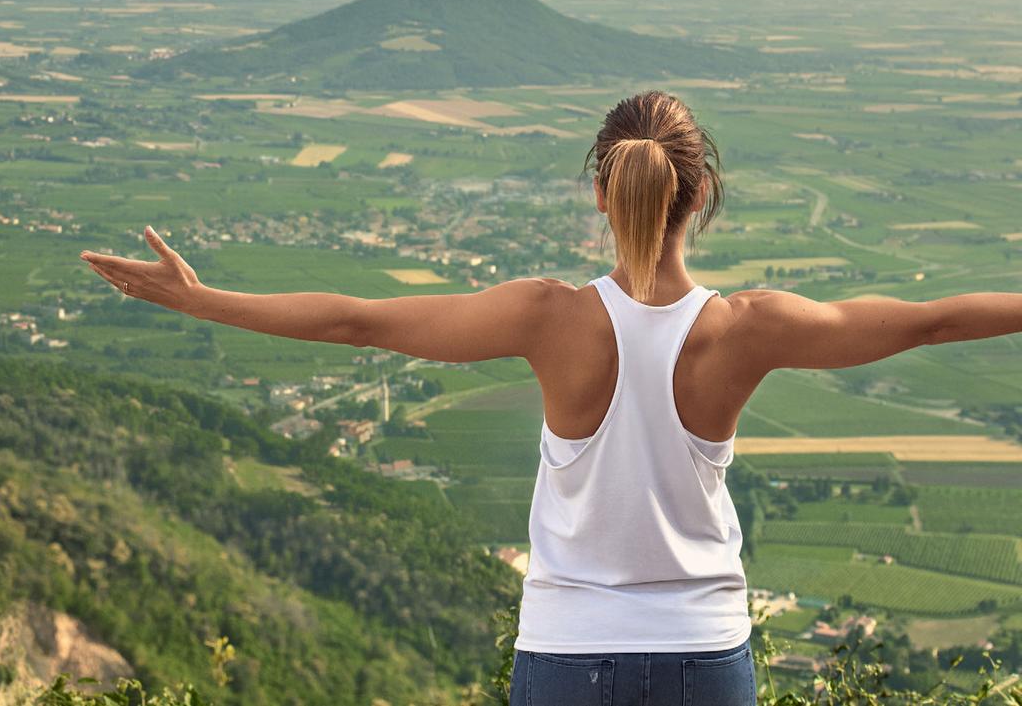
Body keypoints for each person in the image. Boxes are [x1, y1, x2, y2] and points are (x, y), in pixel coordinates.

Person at [80, 89, 1022, 706]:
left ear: (605, 198)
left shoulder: (548, 317)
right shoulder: (749, 326)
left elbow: (356, 322)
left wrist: (199, 298)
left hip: (569, 659)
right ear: (699, 199)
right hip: (708, 658)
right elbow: (929, 321)